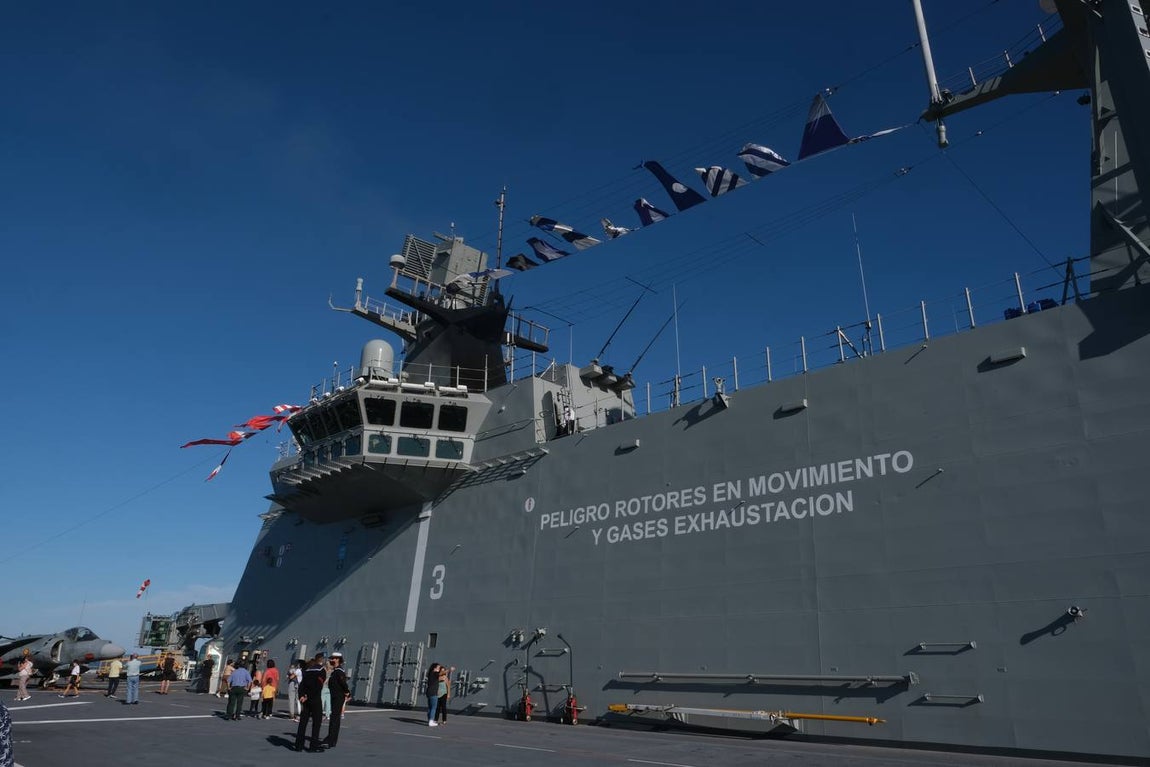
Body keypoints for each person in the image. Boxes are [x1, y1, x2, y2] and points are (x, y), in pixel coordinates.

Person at [294, 655, 326, 752]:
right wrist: (310, 696)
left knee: (303, 722)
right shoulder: (321, 670)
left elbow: (302, 685)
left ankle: (298, 746)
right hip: (315, 699)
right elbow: (318, 685)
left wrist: (302, 696)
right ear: (321, 661)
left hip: (306, 700)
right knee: (316, 723)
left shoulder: (307, 670)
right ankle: (313, 747)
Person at [322, 652, 351, 747]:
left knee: (334, 718)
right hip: (335, 696)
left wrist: (347, 692)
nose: (331, 660)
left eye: (333, 658)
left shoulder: (339, 671)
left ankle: (331, 739)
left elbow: (343, 683)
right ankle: (332, 738)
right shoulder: (335, 671)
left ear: (338, 659)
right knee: (334, 717)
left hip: (338, 697)